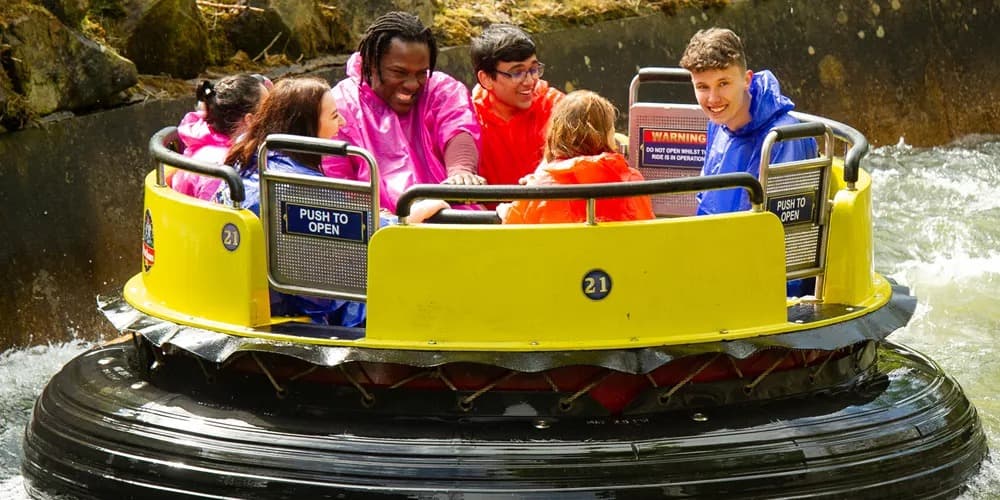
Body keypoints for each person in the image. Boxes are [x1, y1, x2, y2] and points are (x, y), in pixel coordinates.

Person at [320, 11, 483, 213]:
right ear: (371, 63)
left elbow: (458, 127)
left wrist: (461, 171)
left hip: (451, 215)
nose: (412, 84)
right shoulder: (339, 105)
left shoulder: (441, 89)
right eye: (399, 72)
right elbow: (334, 176)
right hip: (380, 225)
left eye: (421, 73)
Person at [679, 27, 817, 216]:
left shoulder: (783, 138)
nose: (713, 99)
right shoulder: (717, 124)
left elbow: (782, 223)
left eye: (723, 83)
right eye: (702, 87)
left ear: (747, 80)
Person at [498, 90, 654, 224]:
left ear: (556, 134)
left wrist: (505, 211)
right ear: (606, 136)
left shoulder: (538, 188)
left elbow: (513, 224)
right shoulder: (632, 183)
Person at [470, 23, 563, 188]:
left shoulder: (555, 106)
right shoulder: (468, 118)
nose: (530, 81)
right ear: (486, 79)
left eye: (534, 69)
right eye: (517, 73)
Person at [171, 73, 271, 199]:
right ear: (250, 120)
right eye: (267, 111)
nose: (271, 117)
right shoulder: (225, 166)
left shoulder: (203, 139)